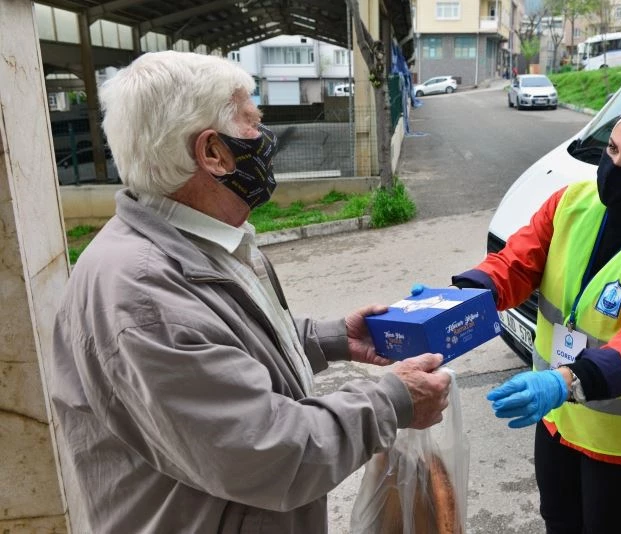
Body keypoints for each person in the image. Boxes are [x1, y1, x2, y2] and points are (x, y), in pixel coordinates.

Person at [49, 51, 451, 534]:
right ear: (213, 153)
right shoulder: (143, 297)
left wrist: (331, 339)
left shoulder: (202, 239)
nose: (265, 139)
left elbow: (225, 350)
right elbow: (271, 453)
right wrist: (392, 401)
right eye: (252, 123)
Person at [448, 84, 621, 533]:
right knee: (557, 519)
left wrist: (567, 380)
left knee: (602, 527)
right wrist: (463, 296)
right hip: (559, 416)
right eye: (613, 149)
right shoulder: (570, 204)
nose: (615, 167)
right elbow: (515, 263)